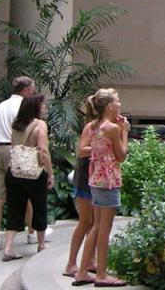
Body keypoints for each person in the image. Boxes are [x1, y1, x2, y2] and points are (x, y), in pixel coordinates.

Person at [0, 76, 52, 252]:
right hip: (17, 152)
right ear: (26, 91)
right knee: (28, 193)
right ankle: (32, 233)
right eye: (32, 91)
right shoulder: (24, 108)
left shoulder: (0, 107)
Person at [74, 89, 129, 287]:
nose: (120, 104)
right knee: (104, 229)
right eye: (117, 101)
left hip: (95, 179)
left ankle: (81, 272)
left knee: (96, 227)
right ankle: (102, 275)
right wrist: (125, 131)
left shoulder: (94, 125)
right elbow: (121, 155)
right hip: (109, 180)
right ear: (109, 106)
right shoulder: (111, 128)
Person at [2, 94, 54, 261]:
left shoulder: (16, 125)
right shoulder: (40, 125)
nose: (45, 107)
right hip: (34, 172)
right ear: (35, 107)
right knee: (39, 206)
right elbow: (43, 151)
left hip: (14, 171)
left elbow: (13, 146)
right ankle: (41, 245)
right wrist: (50, 173)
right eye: (42, 105)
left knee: (14, 208)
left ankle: (8, 247)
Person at [64, 102, 98, 277]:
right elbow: (82, 151)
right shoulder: (90, 127)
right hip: (85, 178)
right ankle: (71, 263)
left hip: (94, 178)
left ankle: (91, 260)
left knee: (92, 222)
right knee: (85, 221)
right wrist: (101, 147)